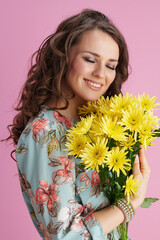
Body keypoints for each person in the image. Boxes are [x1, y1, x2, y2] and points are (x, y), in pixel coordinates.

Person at [8, 9, 150, 240]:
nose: (100, 74)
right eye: (90, 59)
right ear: (63, 56)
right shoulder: (44, 132)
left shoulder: (98, 125)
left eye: (111, 66)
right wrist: (128, 205)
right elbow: (65, 237)